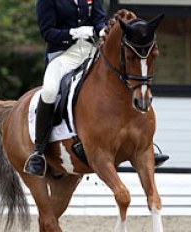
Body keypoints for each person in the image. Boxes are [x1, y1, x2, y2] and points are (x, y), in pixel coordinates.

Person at [23, 2, 169, 177]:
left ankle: (146, 146)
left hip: (91, 52)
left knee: (125, 81)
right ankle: (39, 151)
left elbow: (99, 20)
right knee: (49, 91)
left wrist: (101, 30)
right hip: (63, 55)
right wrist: (73, 33)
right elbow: (47, 33)